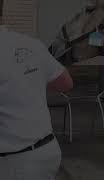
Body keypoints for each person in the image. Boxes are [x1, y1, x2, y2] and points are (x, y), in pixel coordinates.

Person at [0, 26, 73, 179]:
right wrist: (28, 82)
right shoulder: (31, 43)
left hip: (14, 162)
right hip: (47, 151)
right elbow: (66, 83)